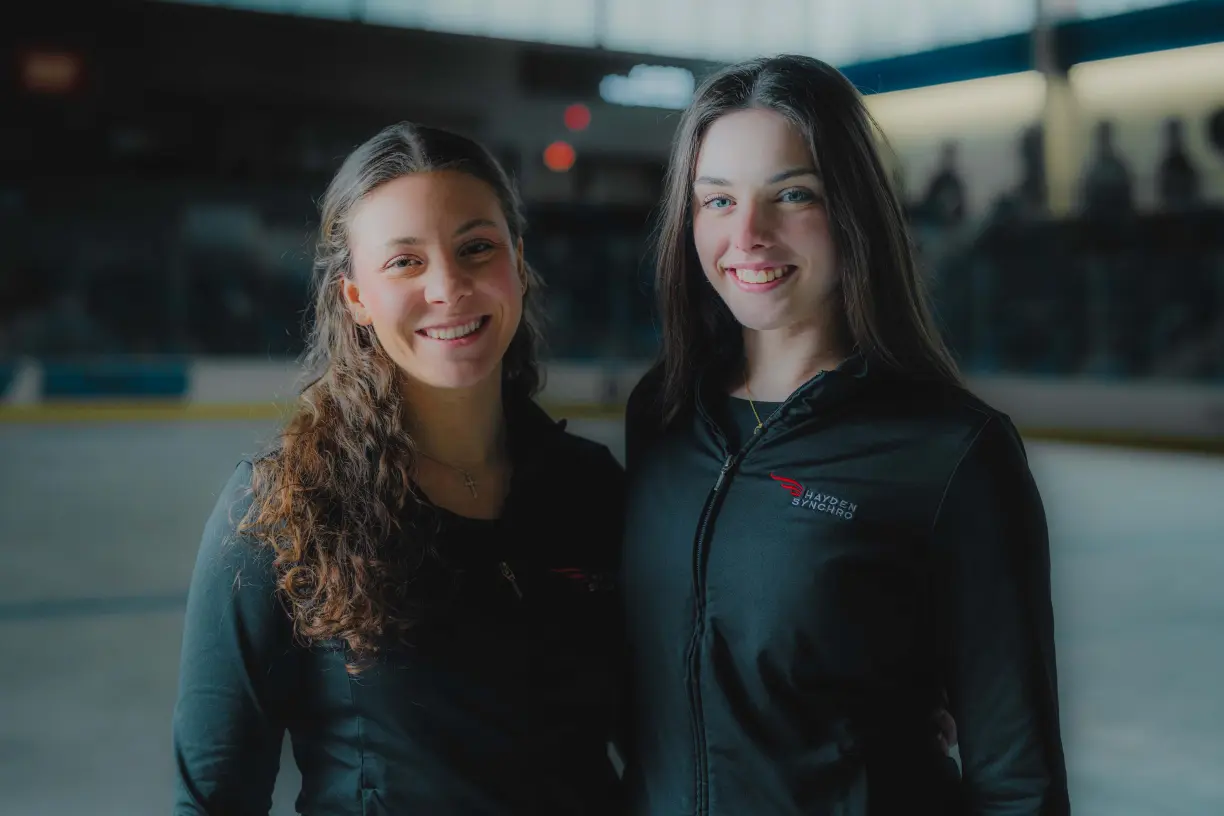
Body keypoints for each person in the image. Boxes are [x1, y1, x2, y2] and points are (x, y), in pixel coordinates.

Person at [620, 54, 1069, 814]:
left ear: (852, 208)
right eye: (717, 200)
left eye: (792, 194)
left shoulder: (950, 454)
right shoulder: (662, 414)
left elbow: (1017, 779)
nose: (748, 234)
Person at [171, 123, 627, 814]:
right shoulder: (283, 510)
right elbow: (212, 797)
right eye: (405, 262)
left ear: (517, 263)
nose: (449, 286)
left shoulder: (589, 489)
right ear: (356, 297)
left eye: (476, 248)